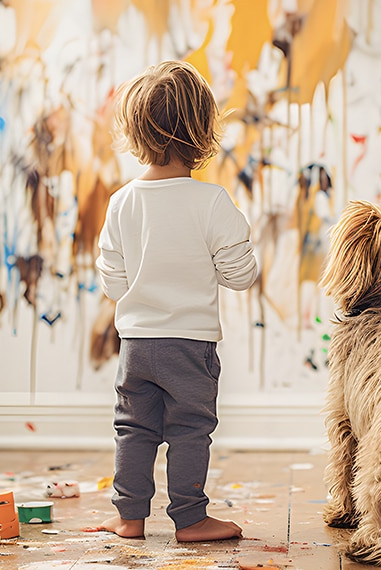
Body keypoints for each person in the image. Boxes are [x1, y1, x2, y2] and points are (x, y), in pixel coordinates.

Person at [90, 61, 257, 542]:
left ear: (135, 130)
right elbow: (240, 277)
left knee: (133, 429)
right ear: (202, 130)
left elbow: (113, 285)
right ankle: (190, 519)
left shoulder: (122, 202)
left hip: (137, 343)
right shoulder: (212, 202)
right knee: (189, 430)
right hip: (190, 346)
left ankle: (129, 518)